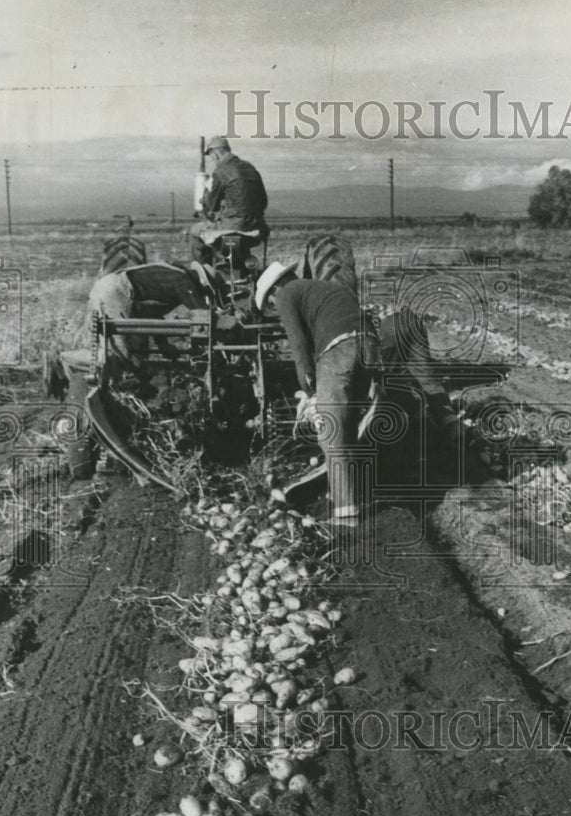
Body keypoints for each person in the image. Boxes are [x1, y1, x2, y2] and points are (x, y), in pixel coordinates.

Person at [255, 261, 379, 528]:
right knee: (347, 427)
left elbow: (298, 346)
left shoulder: (286, 294)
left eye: (270, 303)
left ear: (275, 288)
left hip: (339, 352)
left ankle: (346, 513)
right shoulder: (322, 288)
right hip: (369, 346)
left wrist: (308, 391)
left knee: (330, 432)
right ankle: (348, 492)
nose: (274, 307)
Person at [87, 260, 215, 368]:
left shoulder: (172, 277)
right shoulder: (183, 281)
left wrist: (163, 345)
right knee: (121, 351)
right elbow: (203, 314)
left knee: (134, 350)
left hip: (109, 286)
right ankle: (111, 382)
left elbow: (151, 314)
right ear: (201, 281)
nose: (201, 294)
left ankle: (127, 378)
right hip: (116, 291)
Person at [375, 304, 461, 434]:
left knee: (392, 377)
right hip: (409, 318)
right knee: (427, 378)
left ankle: (421, 420)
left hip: (387, 325)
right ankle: (452, 423)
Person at [189, 136, 269, 271]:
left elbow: (211, 205)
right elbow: (263, 201)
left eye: (212, 157)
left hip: (235, 228)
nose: (213, 161)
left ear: (216, 153)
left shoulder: (221, 171)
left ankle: (205, 274)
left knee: (194, 233)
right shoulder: (250, 167)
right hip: (257, 227)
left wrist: (205, 199)